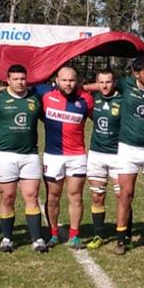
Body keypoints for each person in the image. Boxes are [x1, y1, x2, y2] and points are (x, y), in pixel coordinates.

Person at [0, 63, 47, 253]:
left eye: (23, 78)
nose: (20, 82)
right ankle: (7, 239)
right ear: (8, 80)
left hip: (29, 154)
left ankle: (37, 239)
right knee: (7, 197)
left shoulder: (35, 99)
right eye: (15, 79)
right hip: (5, 154)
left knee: (31, 195)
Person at [111, 57, 144, 256]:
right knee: (126, 195)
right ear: (136, 74)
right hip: (128, 148)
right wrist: (82, 88)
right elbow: (104, 85)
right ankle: (121, 238)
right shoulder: (125, 84)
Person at [40, 66, 93, 250]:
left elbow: (103, 120)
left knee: (75, 196)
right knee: (53, 197)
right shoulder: (45, 95)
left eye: (72, 80)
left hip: (77, 156)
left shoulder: (85, 99)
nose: (68, 84)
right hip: (53, 156)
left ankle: (75, 236)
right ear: (57, 80)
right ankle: (53, 234)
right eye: (64, 80)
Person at [84, 70, 122, 249]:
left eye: (108, 82)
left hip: (118, 155)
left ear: (114, 82)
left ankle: (124, 234)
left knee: (122, 196)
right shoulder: (93, 99)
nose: (105, 86)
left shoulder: (123, 100)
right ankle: (98, 234)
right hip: (96, 155)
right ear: (97, 83)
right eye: (101, 82)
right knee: (97, 196)